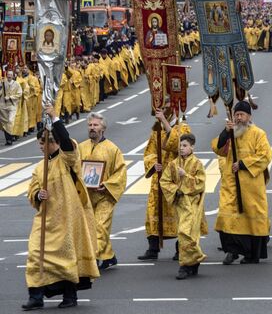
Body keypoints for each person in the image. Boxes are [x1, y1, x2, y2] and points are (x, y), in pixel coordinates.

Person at [22, 106, 100, 310]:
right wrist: (39, 195)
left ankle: (69, 296)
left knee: (66, 257)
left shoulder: (67, 159)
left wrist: (54, 118)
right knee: (35, 254)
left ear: (52, 142)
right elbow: (32, 192)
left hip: (67, 217)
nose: (40, 147)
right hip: (46, 220)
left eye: (42, 143)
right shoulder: (40, 168)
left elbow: (66, 141)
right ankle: (36, 296)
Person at [213, 101, 272, 264]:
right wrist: (226, 132)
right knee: (226, 215)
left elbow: (265, 155)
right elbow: (218, 148)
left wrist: (243, 164)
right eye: (237, 114)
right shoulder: (232, 132)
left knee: (251, 218)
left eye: (242, 115)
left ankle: (251, 254)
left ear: (249, 116)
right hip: (231, 184)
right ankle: (232, 251)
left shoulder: (258, 133)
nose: (239, 118)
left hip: (251, 185)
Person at [138, 104, 192, 261]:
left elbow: (179, 145)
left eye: (167, 105)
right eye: (162, 106)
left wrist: (165, 123)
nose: (164, 108)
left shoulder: (183, 127)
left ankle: (180, 249)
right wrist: (154, 164)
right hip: (159, 178)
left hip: (177, 178)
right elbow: (149, 152)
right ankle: (153, 248)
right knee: (153, 211)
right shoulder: (157, 129)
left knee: (178, 213)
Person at [77, 112, 127, 271]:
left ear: (103, 128)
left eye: (95, 125)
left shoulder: (112, 149)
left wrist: (107, 184)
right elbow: (74, 168)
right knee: (88, 227)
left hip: (105, 195)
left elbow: (120, 172)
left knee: (99, 226)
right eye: (90, 125)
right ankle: (109, 256)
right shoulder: (81, 147)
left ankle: (93, 260)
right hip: (86, 196)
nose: (92, 128)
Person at [160, 133, 207, 280]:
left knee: (185, 232)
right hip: (180, 204)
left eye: (185, 145)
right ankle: (194, 261)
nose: (181, 148)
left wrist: (185, 175)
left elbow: (201, 183)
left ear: (192, 146)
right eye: (180, 145)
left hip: (193, 204)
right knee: (186, 234)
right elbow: (164, 181)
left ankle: (184, 266)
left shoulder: (197, 163)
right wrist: (176, 190)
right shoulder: (173, 164)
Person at [1, 70, 22, 145]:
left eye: (10, 74)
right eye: (8, 74)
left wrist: (10, 97)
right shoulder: (3, 83)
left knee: (10, 121)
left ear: (13, 76)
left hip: (12, 105)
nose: (9, 76)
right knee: (5, 123)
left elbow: (19, 94)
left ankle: (11, 137)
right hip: (3, 105)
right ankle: (8, 139)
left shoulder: (16, 84)